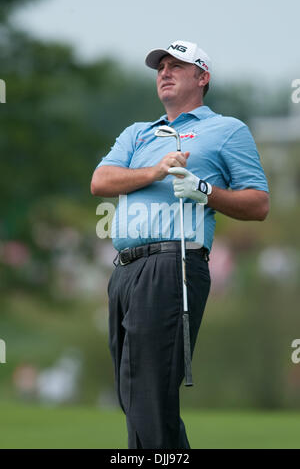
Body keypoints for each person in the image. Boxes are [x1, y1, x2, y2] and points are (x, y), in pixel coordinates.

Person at [90, 40, 269, 449]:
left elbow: (258, 204)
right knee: (133, 394)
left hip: (175, 265)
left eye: (177, 66)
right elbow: (101, 182)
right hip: (126, 270)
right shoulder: (138, 133)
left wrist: (206, 190)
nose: (165, 73)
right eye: (161, 67)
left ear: (202, 77)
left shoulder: (225, 130)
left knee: (147, 391)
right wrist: (157, 170)